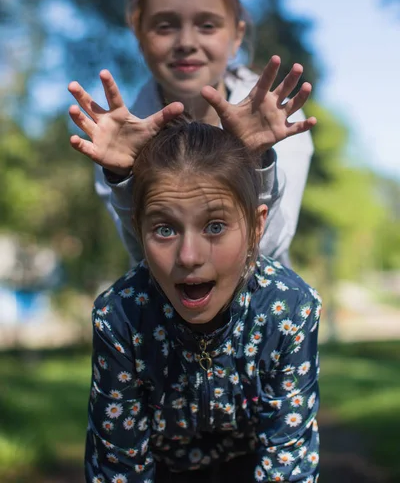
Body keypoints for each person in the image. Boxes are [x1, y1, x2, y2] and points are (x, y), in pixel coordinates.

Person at [85, 115, 321, 483]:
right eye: (165, 229)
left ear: (257, 226)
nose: (189, 256)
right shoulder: (121, 317)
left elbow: (288, 461)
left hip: (251, 461)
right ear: (139, 229)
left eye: (214, 226)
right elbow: (118, 464)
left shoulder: (290, 309)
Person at [68, 0, 316, 268]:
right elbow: (146, 256)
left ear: (237, 37)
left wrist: (256, 158)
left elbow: (266, 249)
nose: (186, 41)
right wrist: (122, 176)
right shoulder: (117, 138)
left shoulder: (277, 120)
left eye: (207, 25)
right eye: (165, 26)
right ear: (139, 35)